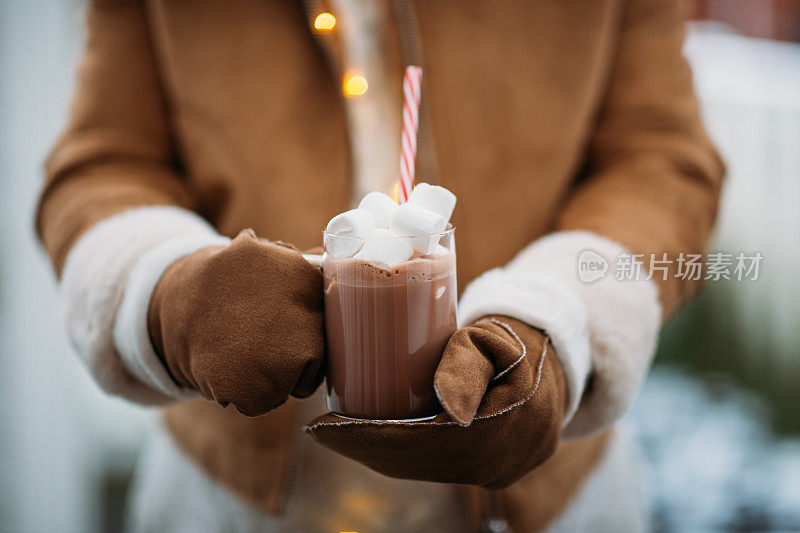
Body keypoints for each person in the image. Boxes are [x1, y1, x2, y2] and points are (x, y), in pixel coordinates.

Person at [36, 0, 724, 531]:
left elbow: (663, 163)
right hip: (231, 495)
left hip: (535, 501)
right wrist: (169, 291)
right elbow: (103, 163)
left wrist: (559, 318)